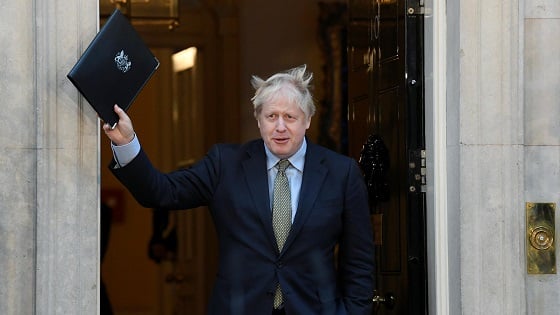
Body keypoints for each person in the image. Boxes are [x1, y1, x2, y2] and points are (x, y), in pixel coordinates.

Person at [103, 64, 375, 314]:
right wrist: (127, 143)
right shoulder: (225, 164)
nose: (280, 127)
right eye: (271, 116)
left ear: (308, 120)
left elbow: (359, 263)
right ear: (259, 120)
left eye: (290, 117)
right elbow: (160, 191)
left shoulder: (342, 173)